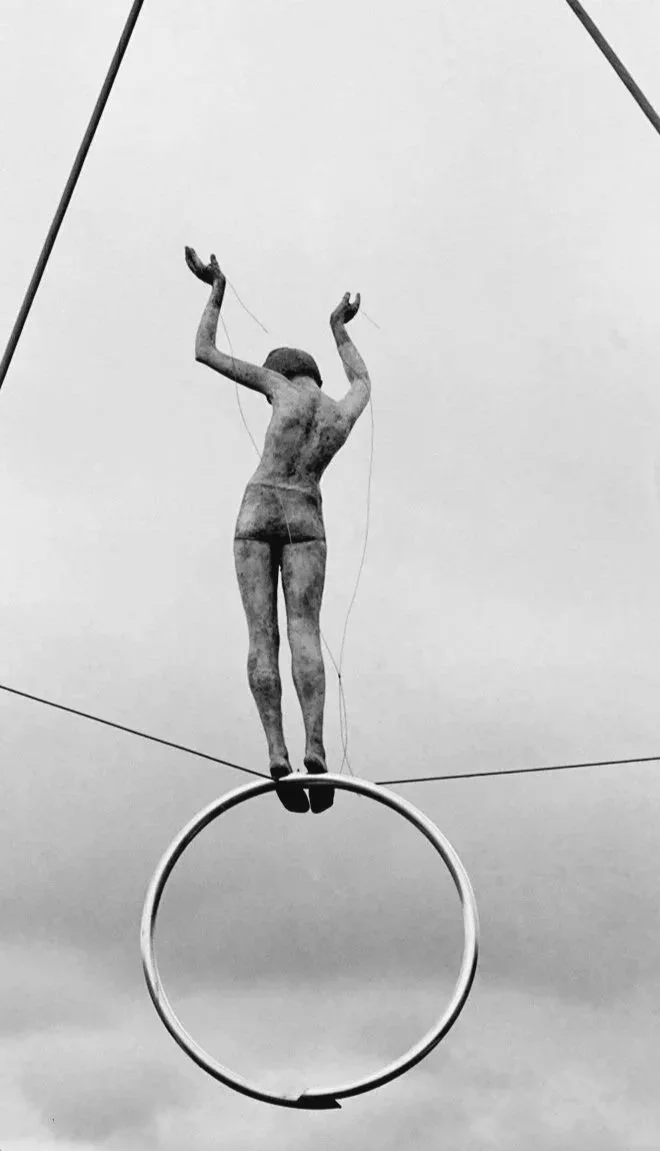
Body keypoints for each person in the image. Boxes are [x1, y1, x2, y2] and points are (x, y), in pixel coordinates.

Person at [185, 246, 371, 811]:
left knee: (261, 634)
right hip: (307, 514)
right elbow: (363, 377)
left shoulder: (280, 386)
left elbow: (204, 351)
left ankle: (276, 748)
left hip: (259, 508)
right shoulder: (341, 410)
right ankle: (316, 745)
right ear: (315, 373)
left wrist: (216, 289)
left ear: (285, 371)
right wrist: (338, 327)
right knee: (305, 632)